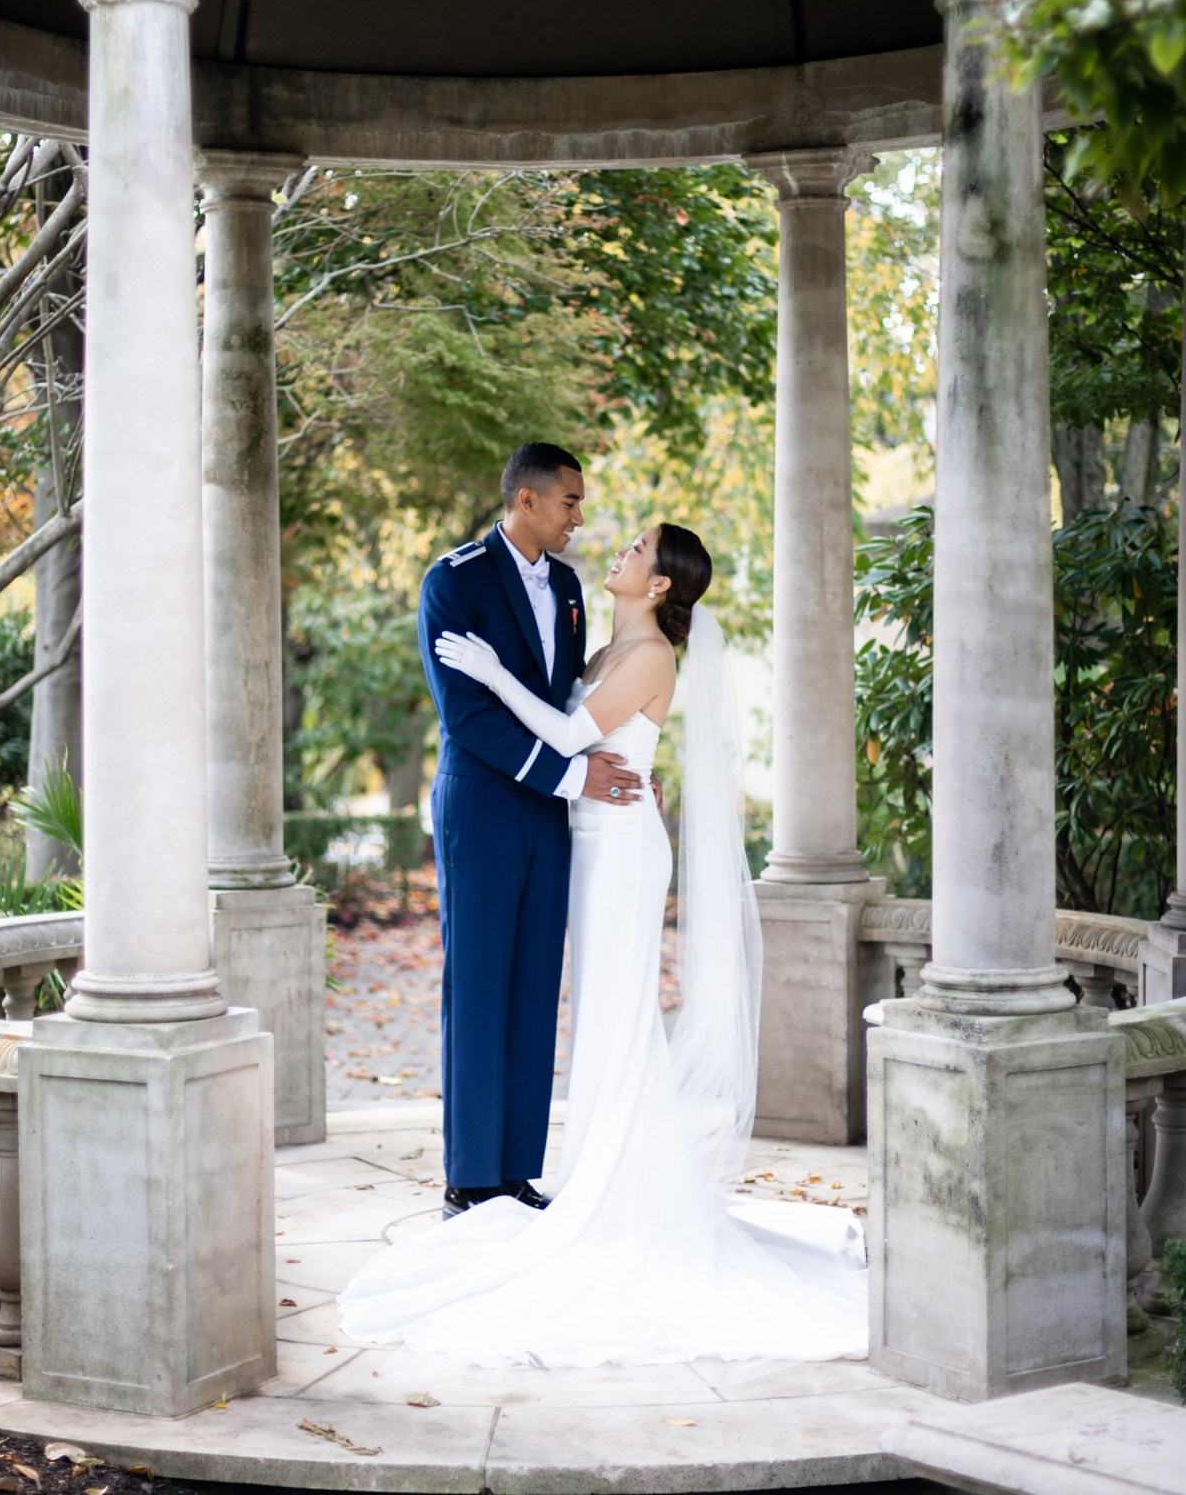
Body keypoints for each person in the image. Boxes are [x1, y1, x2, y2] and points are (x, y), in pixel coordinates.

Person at [340, 521, 868, 1371]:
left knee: (619, 1014)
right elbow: (584, 728)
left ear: (659, 585)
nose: (621, 549)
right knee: (595, 1016)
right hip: (587, 842)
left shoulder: (652, 655)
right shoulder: (604, 642)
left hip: (621, 852)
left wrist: (490, 674)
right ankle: (593, 1171)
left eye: (639, 550)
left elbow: (563, 737)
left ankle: (619, 1190)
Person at [416, 443, 643, 1221]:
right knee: (479, 984)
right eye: (570, 502)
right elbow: (467, 718)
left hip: (549, 812)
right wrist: (574, 778)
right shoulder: (453, 580)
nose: (578, 517)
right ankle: (469, 1177)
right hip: (482, 804)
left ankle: (515, 1169)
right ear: (527, 500)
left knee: (536, 983)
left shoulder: (571, 588)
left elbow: (564, 706)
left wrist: (609, 768)